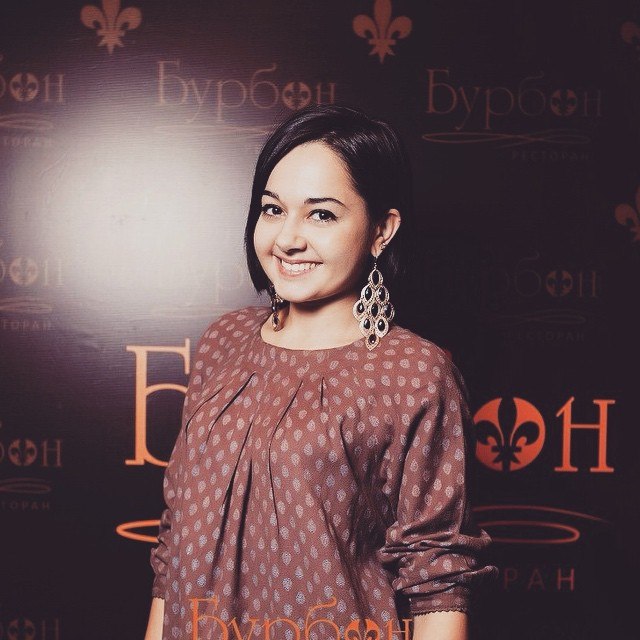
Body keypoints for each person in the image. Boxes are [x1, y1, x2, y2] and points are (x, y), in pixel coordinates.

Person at [144, 103, 498, 640]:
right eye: (272, 209)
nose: (288, 238)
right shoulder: (224, 341)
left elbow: (438, 577)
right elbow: (177, 545)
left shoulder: (414, 371)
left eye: (322, 215)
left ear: (381, 230)